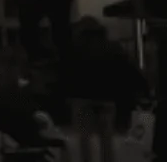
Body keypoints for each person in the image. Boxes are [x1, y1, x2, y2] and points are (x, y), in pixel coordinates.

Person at [63, 18, 146, 162]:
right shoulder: (112, 47)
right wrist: (144, 88)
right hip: (107, 99)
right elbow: (129, 69)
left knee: (85, 139)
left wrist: (66, 95)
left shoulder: (76, 47)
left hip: (82, 99)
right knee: (106, 139)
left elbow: (67, 74)